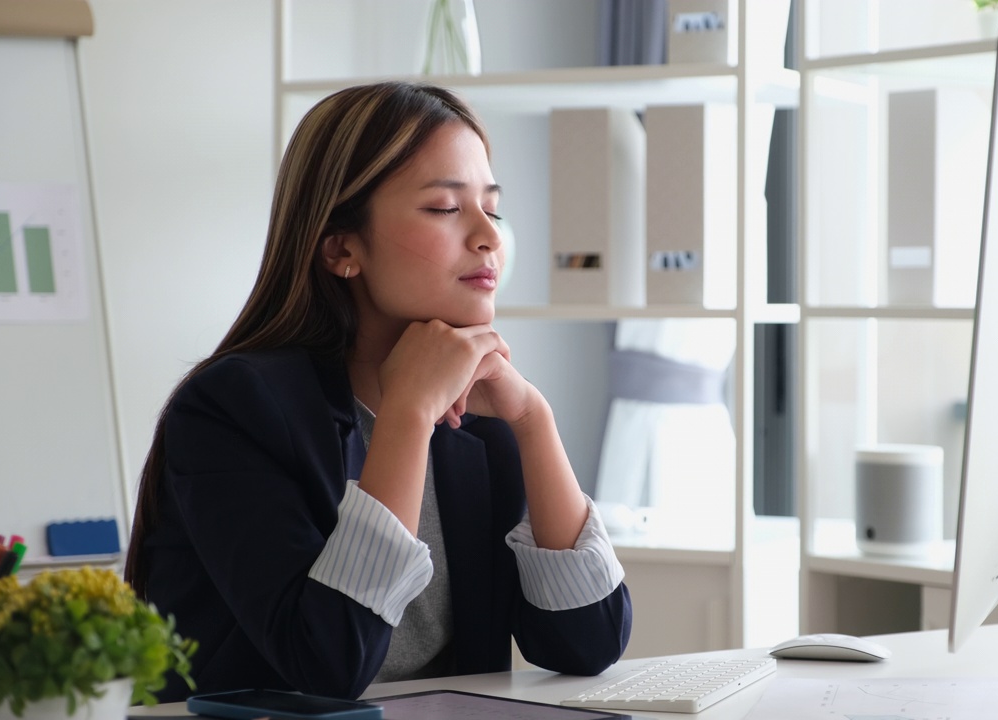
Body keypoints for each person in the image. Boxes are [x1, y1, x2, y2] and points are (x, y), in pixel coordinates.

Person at [123, 82, 632, 702]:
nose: (489, 237)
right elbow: (327, 661)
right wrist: (408, 414)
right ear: (342, 248)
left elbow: (589, 643)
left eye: (492, 209)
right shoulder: (233, 408)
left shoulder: (483, 410)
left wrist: (533, 420)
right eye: (446, 208)